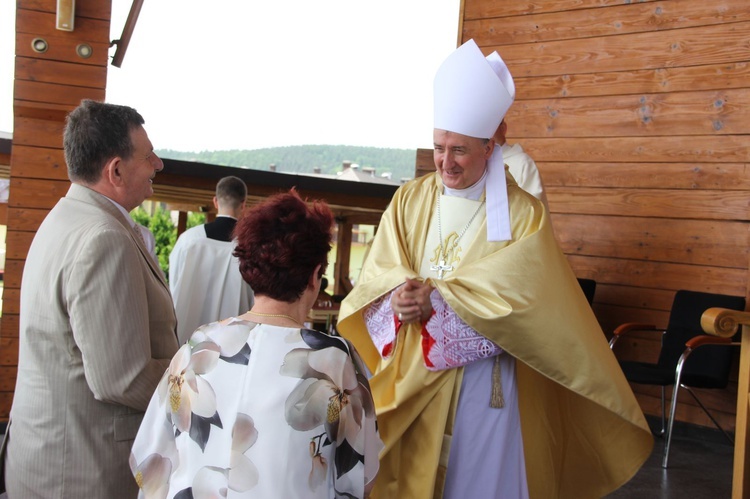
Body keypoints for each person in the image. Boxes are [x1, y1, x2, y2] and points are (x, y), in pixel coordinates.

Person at [337, 39, 652, 499]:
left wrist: (442, 300)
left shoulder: (522, 214)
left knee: (476, 480)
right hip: (412, 366)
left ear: (491, 145)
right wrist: (396, 295)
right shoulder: (411, 197)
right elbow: (382, 266)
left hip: (484, 379)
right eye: (439, 148)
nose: (445, 162)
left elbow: (528, 292)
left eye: (460, 150)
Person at [131, 190, 382, 498]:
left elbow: (149, 458)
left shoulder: (197, 346)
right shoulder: (333, 359)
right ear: (316, 275)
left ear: (248, 268)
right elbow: (362, 476)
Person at [2, 99, 180, 498]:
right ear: (115, 170)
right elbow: (122, 378)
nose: (158, 164)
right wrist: (196, 374)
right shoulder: (103, 238)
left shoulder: (65, 216)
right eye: (148, 155)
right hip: (80, 468)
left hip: (47, 452)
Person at [169, 175, 254, 344]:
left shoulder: (189, 240)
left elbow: (174, 285)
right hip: (231, 343)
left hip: (187, 341)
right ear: (244, 204)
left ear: (215, 201)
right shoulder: (250, 247)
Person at [493, 118, 550, 212]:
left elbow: (534, 210)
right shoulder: (478, 164)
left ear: (503, 128)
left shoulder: (523, 163)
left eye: (491, 127)